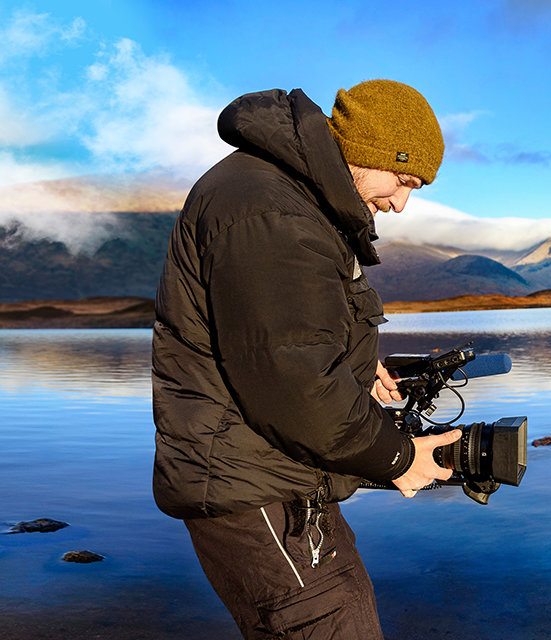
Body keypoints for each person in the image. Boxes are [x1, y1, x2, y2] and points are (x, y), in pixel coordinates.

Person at [151, 79, 460, 639]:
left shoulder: (288, 198)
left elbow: (285, 345)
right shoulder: (270, 208)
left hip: (274, 478)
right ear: (369, 150)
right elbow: (297, 386)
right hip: (256, 486)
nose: (400, 204)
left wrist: (356, 369)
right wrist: (398, 458)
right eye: (404, 180)